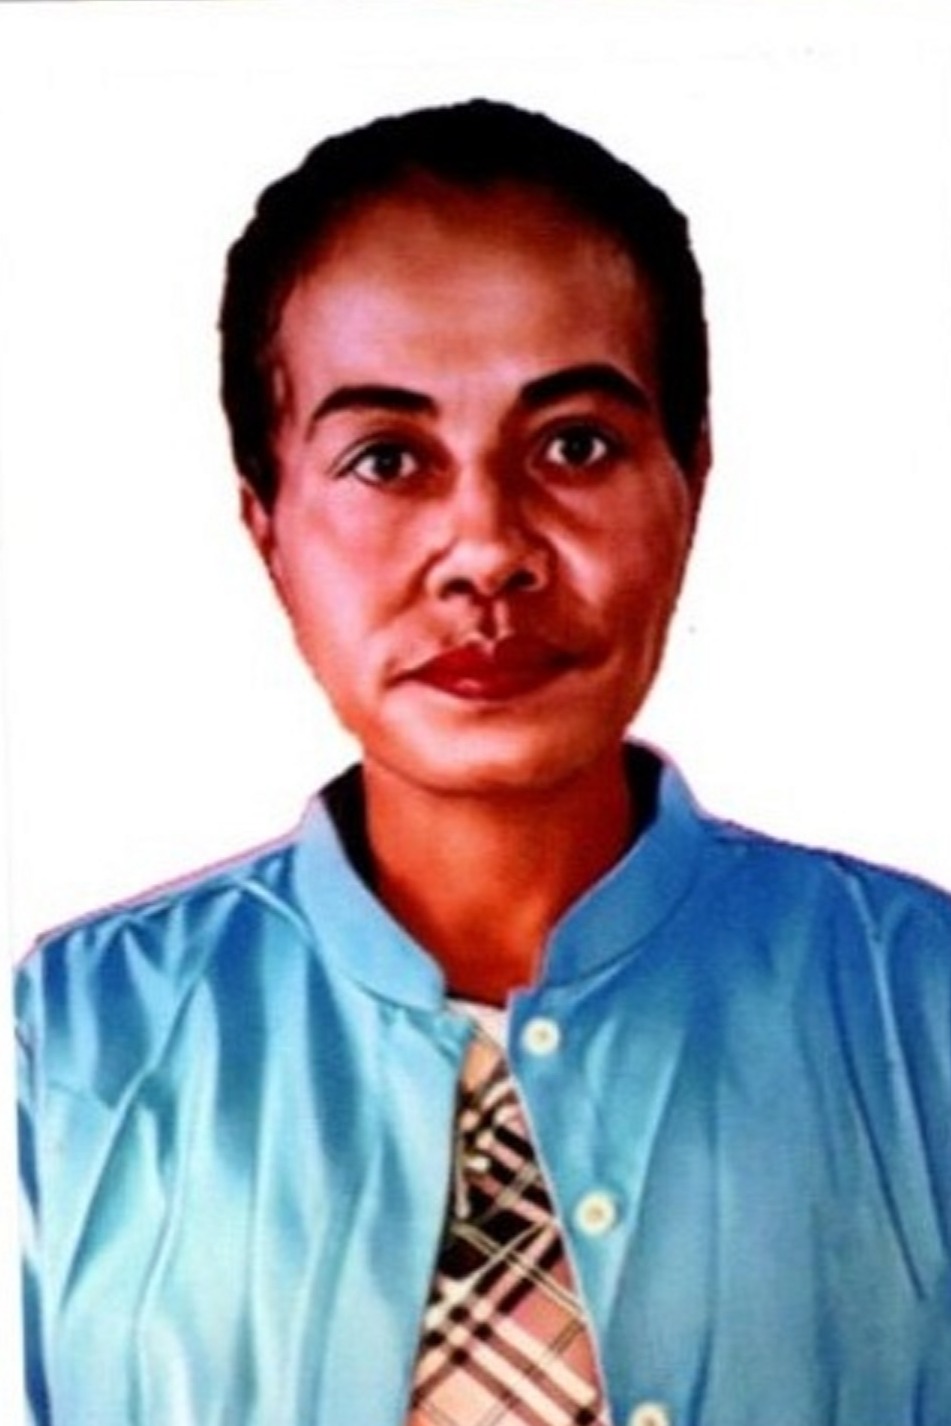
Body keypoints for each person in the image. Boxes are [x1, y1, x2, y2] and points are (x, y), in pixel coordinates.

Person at [16, 99, 951, 1426]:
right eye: (387, 458)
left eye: (575, 444)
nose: (489, 549)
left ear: (690, 480)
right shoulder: (64, 1047)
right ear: (267, 524)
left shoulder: (922, 1007)